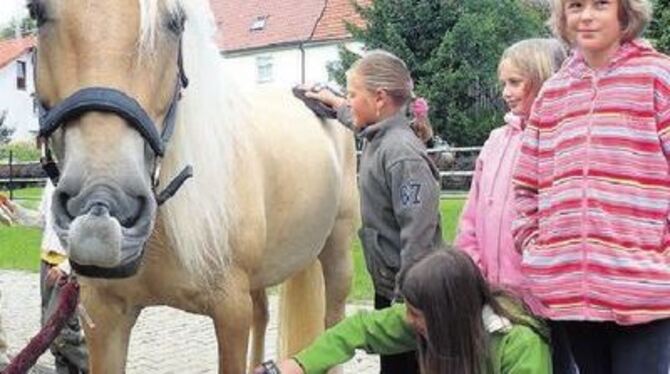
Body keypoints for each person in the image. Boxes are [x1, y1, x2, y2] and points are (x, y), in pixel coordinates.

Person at [512, 0, 670, 372]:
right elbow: (526, 186)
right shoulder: (553, 94)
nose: (585, 16)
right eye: (575, 5)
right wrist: (536, 248)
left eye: (600, 4)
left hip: (644, 290)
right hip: (568, 290)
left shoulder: (658, 78)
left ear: (625, 12)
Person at [305, 50, 443, 373]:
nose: (349, 101)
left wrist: (405, 303)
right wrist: (332, 102)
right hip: (391, 288)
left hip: (412, 298)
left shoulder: (401, 154)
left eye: (353, 94)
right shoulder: (378, 134)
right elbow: (353, 119)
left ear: (379, 98)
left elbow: (418, 236)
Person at [257, 248, 552, 374]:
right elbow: (357, 329)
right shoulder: (437, 320)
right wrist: (298, 365)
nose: (408, 321)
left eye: (416, 313)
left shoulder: (520, 345)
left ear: (444, 314)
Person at [455, 38, 567, 296]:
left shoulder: (560, 140)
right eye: (503, 83)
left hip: (539, 294)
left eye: (515, 82)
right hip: (490, 289)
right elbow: (470, 215)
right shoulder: (495, 141)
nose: (505, 92)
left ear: (544, 79)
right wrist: (474, 268)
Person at [0, 184, 89, 373]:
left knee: (62, 332)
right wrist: (14, 209)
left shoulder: (79, 180)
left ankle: (97, 368)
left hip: (65, 267)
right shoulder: (51, 180)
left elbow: (87, 232)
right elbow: (43, 220)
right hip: (47, 263)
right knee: (51, 333)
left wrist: (66, 267)